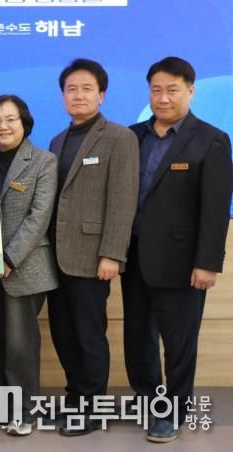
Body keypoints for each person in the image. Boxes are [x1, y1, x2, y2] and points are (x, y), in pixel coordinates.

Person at [122, 56, 232, 443]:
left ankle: (174, 412)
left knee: (179, 343)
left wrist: (207, 263)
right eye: (156, 90)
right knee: (137, 340)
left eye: (172, 90)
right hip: (134, 259)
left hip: (182, 263)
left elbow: (216, 209)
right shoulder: (132, 136)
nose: (163, 98)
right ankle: (149, 401)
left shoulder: (211, 140)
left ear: (190, 91)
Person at [46, 58, 139, 436]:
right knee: (63, 333)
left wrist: (112, 254)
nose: (78, 95)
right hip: (55, 256)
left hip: (92, 256)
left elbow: (123, 199)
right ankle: (75, 397)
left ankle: (92, 405)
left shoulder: (119, 137)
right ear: (63, 96)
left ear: (101, 95)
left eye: (87, 88)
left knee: (89, 334)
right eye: (71, 89)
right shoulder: (57, 141)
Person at [0, 95, 58, 436]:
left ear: (25, 123)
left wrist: (8, 258)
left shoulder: (44, 161)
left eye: (10, 119)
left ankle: (24, 412)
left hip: (24, 268)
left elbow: (39, 217)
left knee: (20, 344)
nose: (3, 126)